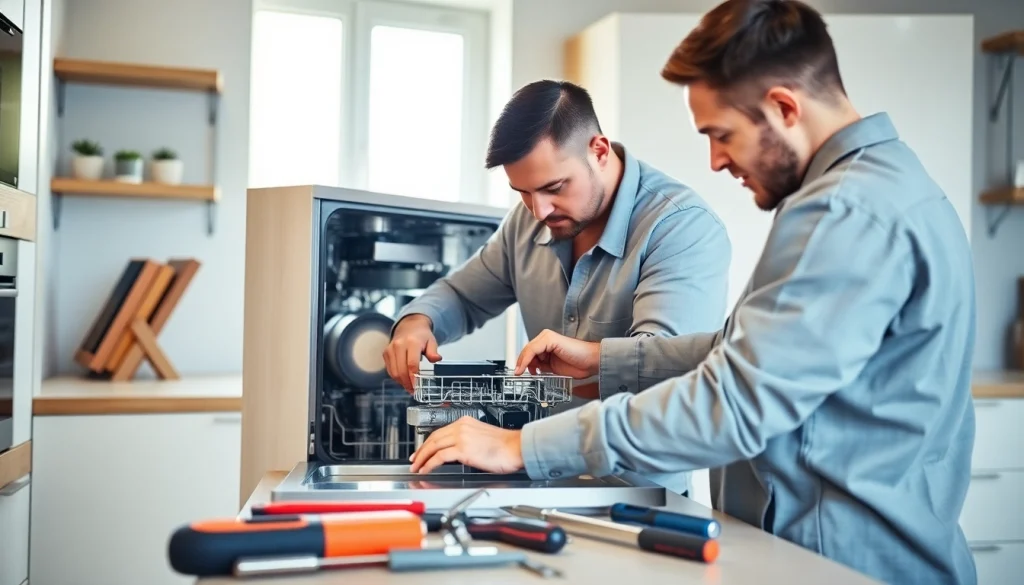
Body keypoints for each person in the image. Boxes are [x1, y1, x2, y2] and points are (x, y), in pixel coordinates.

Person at [407, 1, 977, 584]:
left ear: (783, 107)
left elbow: (729, 403)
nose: (715, 159)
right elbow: (751, 353)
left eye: (721, 134)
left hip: (844, 565)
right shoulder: (893, 187)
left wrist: (522, 448)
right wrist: (607, 360)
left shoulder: (841, 212)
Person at [384, 79, 732, 497]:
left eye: (554, 188)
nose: (539, 210)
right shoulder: (528, 218)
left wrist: (592, 365)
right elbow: (462, 294)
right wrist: (416, 322)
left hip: (637, 494)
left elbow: (663, 380)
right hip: (533, 478)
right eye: (523, 193)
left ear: (599, 151)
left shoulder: (681, 228)